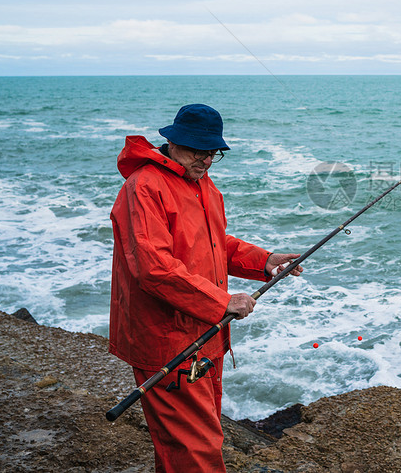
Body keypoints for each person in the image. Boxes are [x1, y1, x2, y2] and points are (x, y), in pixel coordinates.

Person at [108, 104, 303, 472]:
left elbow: (213, 244)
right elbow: (154, 269)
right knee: (196, 448)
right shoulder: (145, 187)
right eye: (199, 150)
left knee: (190, 439)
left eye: (213, 152)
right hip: (166, 339)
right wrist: (223, 301)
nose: (207, 160)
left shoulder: (203, 186)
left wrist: (264, 260)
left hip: (203, 335)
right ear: (172, 140)